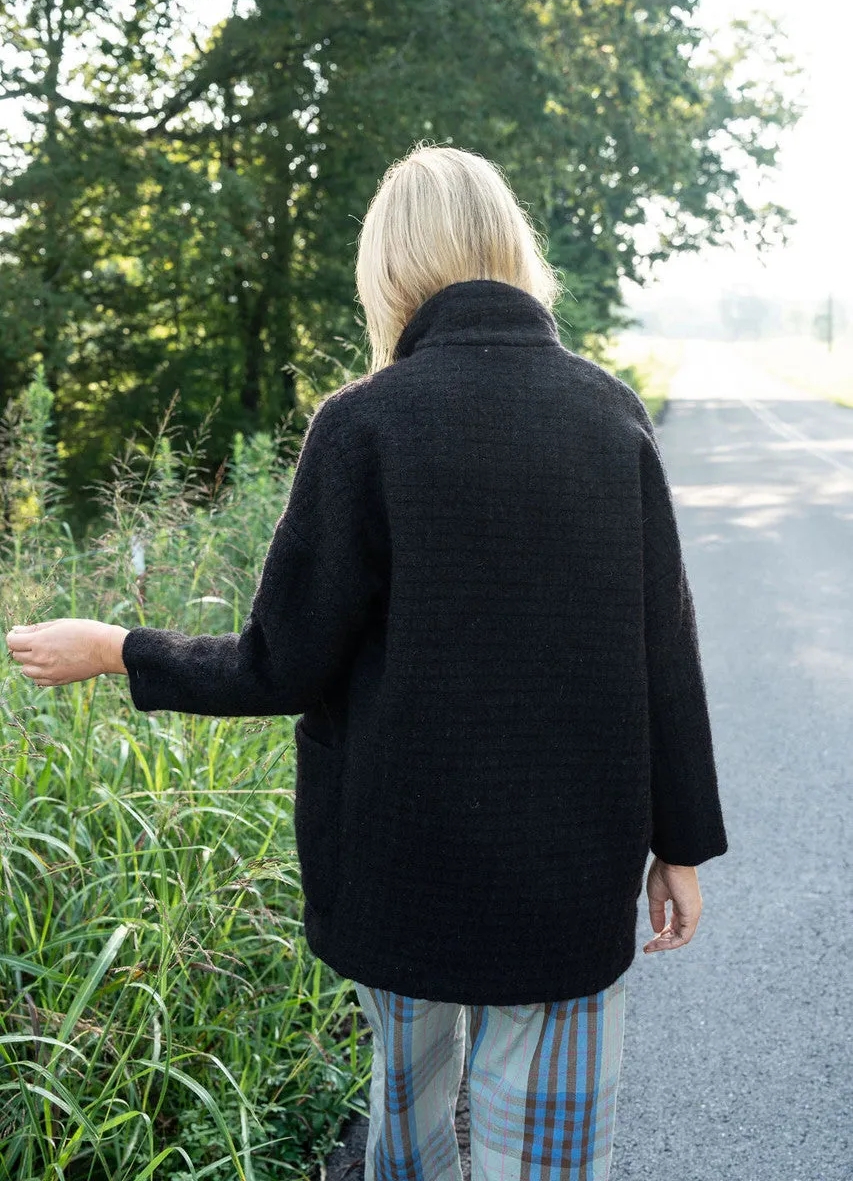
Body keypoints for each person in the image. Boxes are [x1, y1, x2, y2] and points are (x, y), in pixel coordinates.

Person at [6, 142, 727, 1180]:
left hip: (399, 876)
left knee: (410, 1141)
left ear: (389, 268)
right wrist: (680, 845)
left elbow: (279, 665)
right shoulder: (608, 412)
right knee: (551, 1156)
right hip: (569, 880)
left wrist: (118, 647)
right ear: (511, 248)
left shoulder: (365, 423)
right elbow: (667, 654)